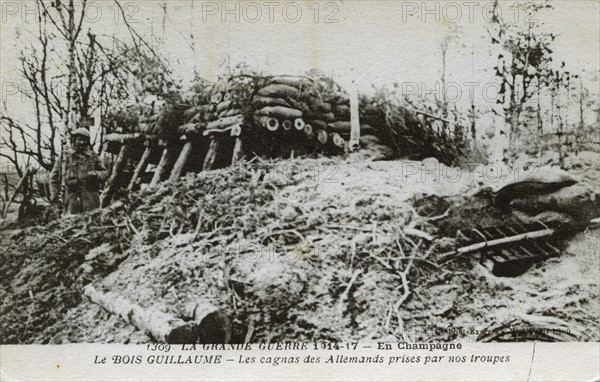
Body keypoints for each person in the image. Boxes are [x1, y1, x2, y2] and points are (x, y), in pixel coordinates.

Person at [50, 128, 109, 215]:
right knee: (70, 224)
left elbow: (105, 173)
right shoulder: (65, 157)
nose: (82, 142)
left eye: (84, 140)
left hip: (90, 199)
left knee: (91, 223)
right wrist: (55, 197)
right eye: (79, 139)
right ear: (74, 140)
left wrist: (96, 174)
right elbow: (54, 178)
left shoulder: (93, 156)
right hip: (71, 199)